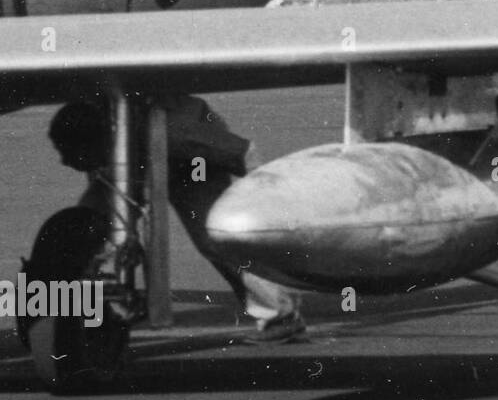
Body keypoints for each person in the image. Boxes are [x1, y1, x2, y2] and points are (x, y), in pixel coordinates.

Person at [48, 98, 307, 343]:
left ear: (99, 143)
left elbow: (243, 153)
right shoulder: (100, 134)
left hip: (192, 164)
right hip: (136, 158)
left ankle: (280, 316)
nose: (62, 161)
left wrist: (273, 196)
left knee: (216, 235)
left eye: (68, 152)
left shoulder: (176, 131)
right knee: (90, 217)